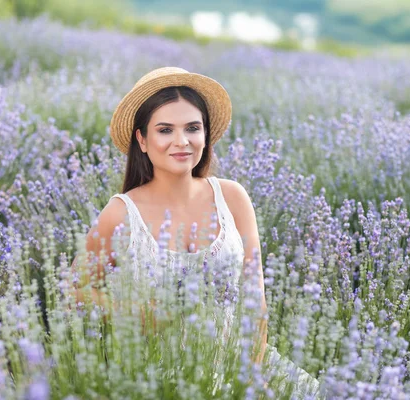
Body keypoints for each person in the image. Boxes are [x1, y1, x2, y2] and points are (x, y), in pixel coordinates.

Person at [72, 67, 320, 398]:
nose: (181, 141)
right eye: (165, 130)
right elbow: (73, 290)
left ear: (205, 135)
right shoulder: (121, 213)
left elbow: (254, 299)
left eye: (192, 128)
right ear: (142, 140)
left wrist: (252, 373)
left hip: (242, 363)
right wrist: (129, 312)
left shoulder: (232, 197)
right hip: (158, 375)